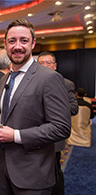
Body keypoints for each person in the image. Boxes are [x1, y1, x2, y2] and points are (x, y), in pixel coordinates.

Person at [0, 18, 71, 194]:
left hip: (32, 175)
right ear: (5, 44)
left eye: (23, 40)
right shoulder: (5, 78)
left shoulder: (49, 78)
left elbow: (61, 128)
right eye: (12, 41)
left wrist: (16, 135)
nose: (17, 46)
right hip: (2, 171)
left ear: (33, 43)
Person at [37, 51, 78, 195]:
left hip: (54, 137)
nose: (45, 66)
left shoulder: (66, 84)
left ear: (55, 66)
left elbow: (74, 108)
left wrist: (53, 108)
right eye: (41, 63)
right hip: (35, 135)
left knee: (54, 171)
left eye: (48, 63)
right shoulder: (31, 83)